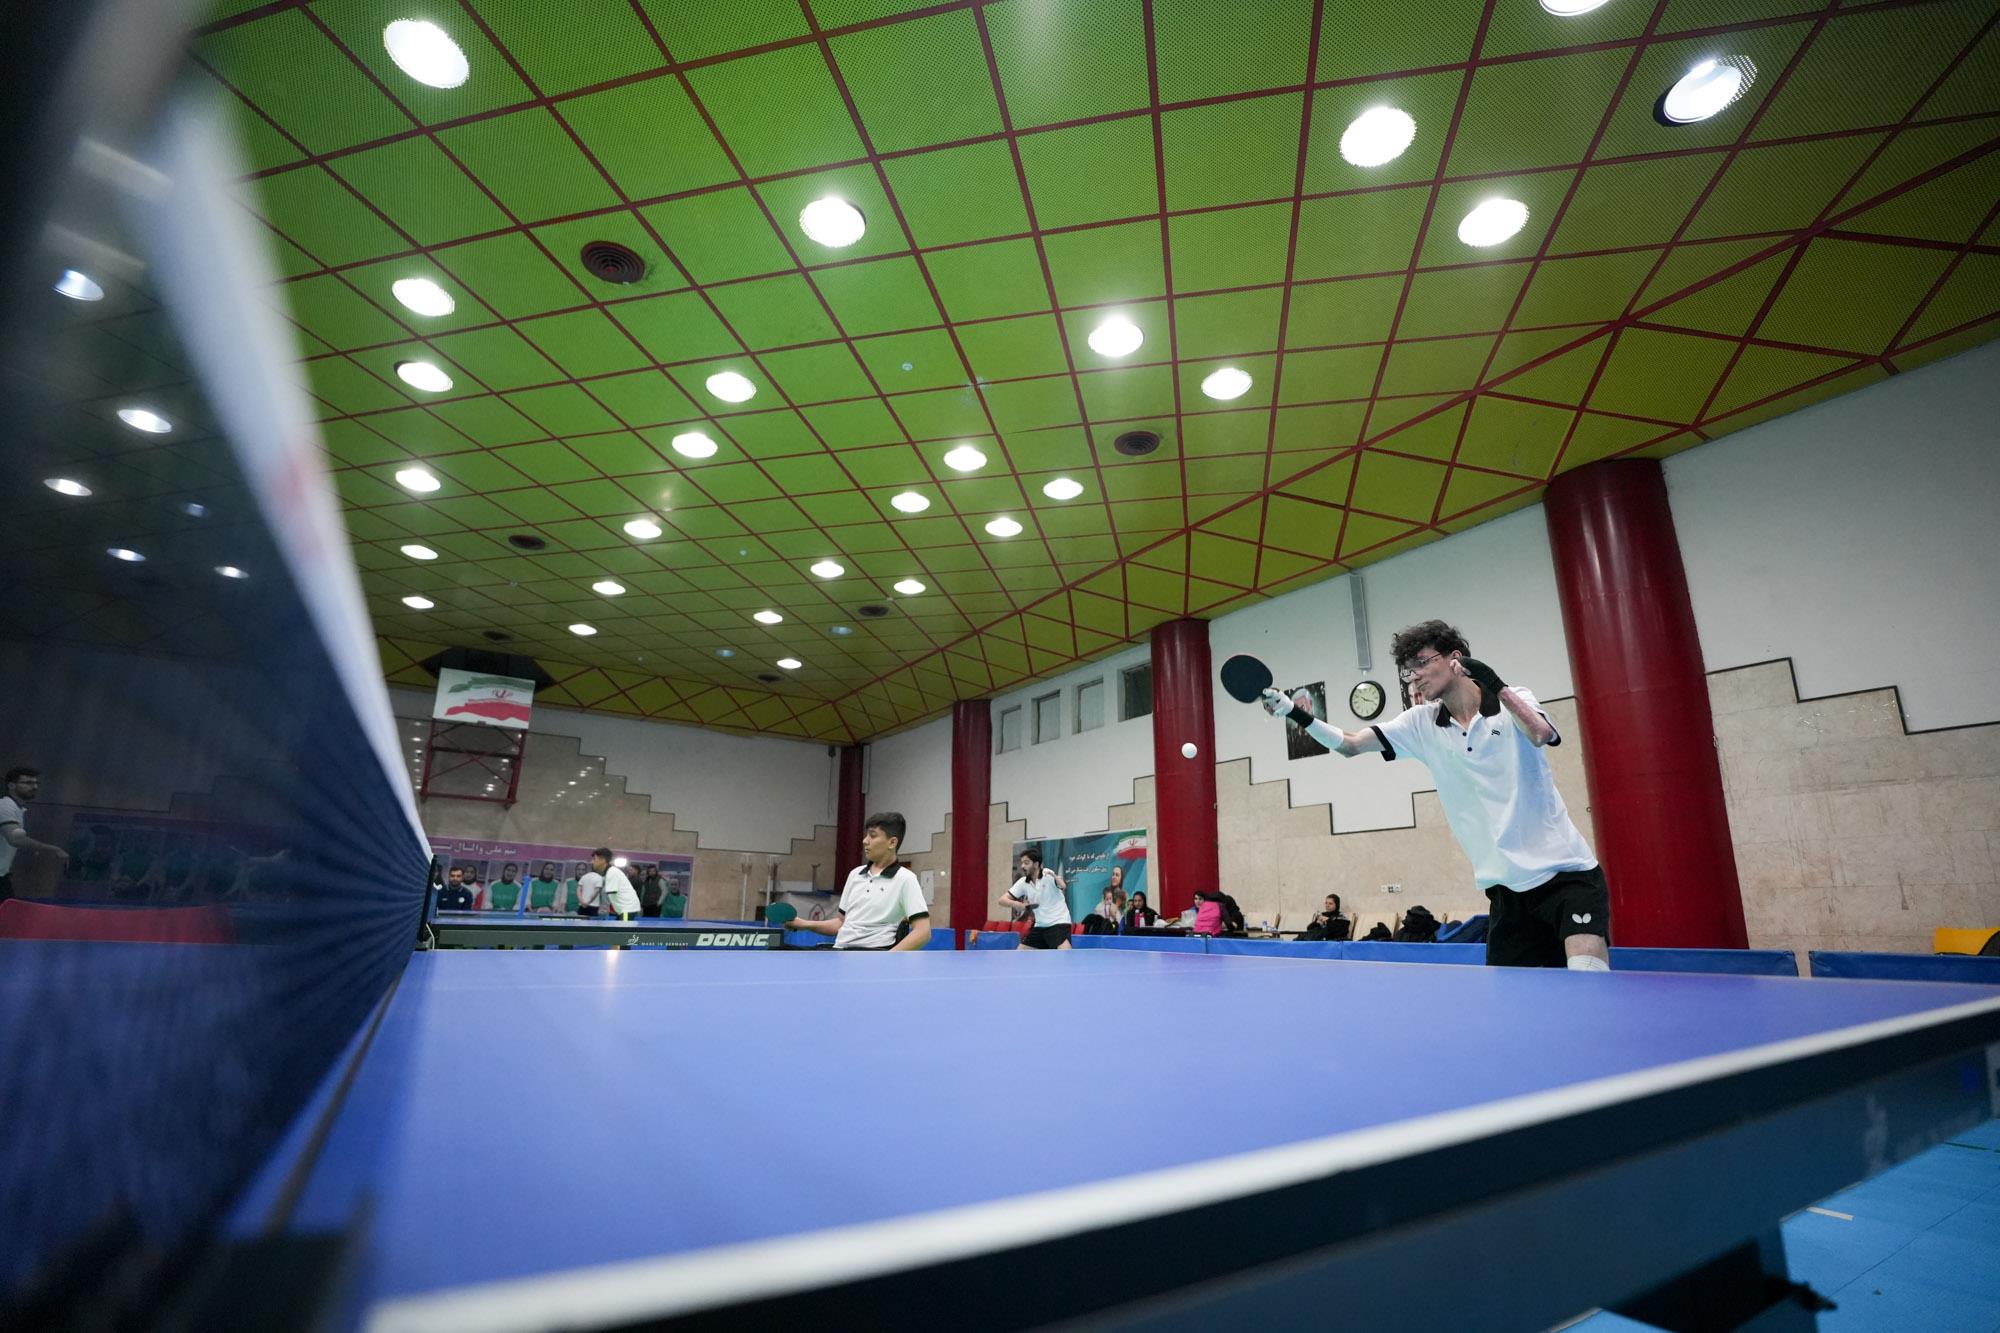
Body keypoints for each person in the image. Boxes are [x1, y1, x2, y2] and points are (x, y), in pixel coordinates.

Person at [1261, 619, 1610, 971]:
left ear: (1455, 658)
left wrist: (1496, 685)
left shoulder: (1513, 699)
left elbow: (1540, 733)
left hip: (1567, 875)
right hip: (1506, 891)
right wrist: (1293, 712)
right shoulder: (1420, 723)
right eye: (1408, 670)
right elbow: (1350, 745)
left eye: (1422, 663)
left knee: (1587, 979)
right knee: (1516, 998)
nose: (1414, 676)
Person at [787, 811, 931, 950]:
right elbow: (841, 923)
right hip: (841, 951)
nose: (865, 841)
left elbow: (923, 932)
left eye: (872, 836)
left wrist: (888, 959)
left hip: (875, 952)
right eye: (866, 835)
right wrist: (804, 924)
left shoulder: (905, 879)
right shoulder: (855, 875)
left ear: (892, 842)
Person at [0, 767, 70, 902]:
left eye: (36, 783)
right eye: (28, 783)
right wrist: (53, 849)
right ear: (11, 785)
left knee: (10, 911)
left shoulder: (16, 809)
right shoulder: (5, 806)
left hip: (3, 876)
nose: (34, 787)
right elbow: (15, 839)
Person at [1001, 847, 1072, 949]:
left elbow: (1063, 886)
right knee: (1020, 954)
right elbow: (1002, 900)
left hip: (1058, 924)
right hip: (1040, 926)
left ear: (1036, 864)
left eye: (1026, 863)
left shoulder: (1047, 874)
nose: (1022, 866)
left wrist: (1056, 877)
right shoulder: (1023, 882)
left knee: (1066, 956)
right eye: (1022, 863)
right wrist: (1017, 904)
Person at [589, 848, 641, 921]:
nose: (592, 862)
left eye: (594, 859)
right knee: (617, 927)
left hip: (627, 909)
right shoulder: (609, 872)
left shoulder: (611, 872)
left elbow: (606, 897)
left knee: (623, 928)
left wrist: (602, 911)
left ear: (603, 860)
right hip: (624, 909)